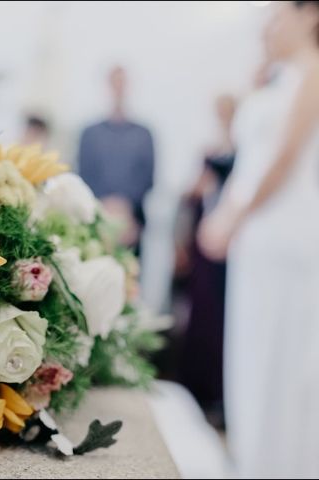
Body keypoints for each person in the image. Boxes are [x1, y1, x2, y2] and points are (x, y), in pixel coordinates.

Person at [198, 2, 319, 477]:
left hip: (287, 234)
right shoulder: (277, 79)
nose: (266, 27)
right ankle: (254, 457)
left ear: (310, 13)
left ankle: (286, 462)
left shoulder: (312, 70)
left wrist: (232, 216)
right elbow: (250, 156)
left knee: (284, 358)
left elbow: (285, 157)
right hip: (260, 237)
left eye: (274, 16)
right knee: (251, 351)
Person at [173, 95, 237, 428]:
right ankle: (195, 389)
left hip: (232, 249)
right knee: (200, 313)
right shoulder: (209, 150)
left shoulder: (243, 149)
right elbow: (190, 196)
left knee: (224, 319)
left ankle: (219, 393)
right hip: (204, 242)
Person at [78, 66, 155, 253]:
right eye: (115, 82)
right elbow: (84, 172)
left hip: (132, 225)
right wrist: (106, 207)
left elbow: (148, 177)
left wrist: (125, 208)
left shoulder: (144, 134)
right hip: (95, 223)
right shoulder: (90, 133)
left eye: (122, 82)